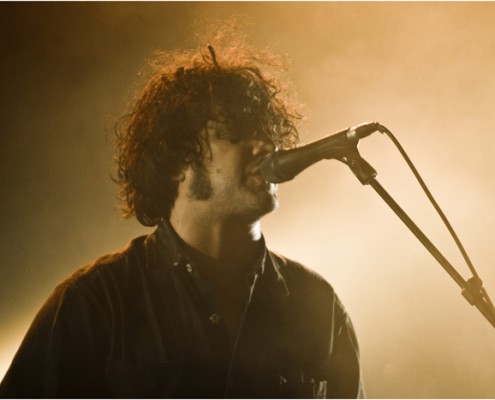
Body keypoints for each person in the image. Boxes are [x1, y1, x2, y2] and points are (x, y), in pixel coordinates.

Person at [0, 25, 364, 398]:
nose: (265, 146)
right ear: (176, 162)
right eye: (237, 133)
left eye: (267, 133)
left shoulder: (318, 302)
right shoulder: (95, 303)